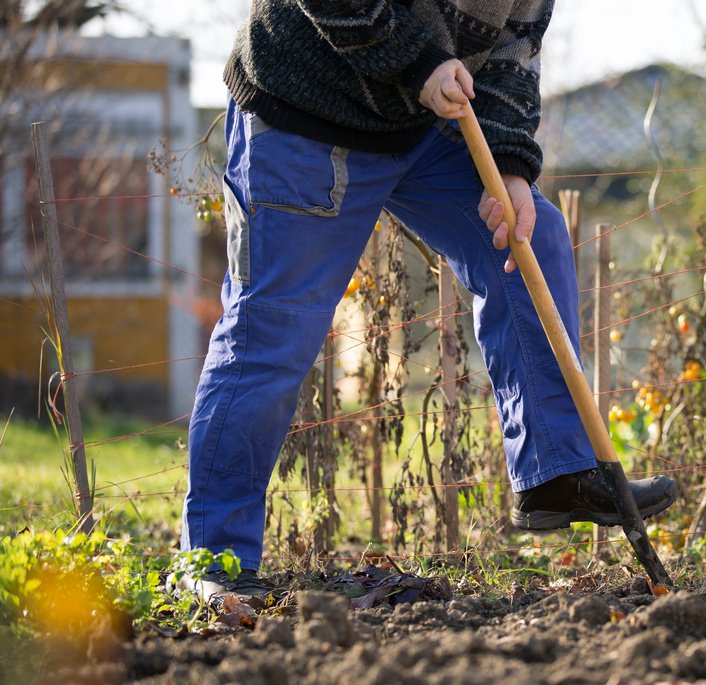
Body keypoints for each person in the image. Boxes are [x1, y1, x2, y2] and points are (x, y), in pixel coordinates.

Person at [179, 0, 678, 604]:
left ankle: (556, 472)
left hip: (417, 126)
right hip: (306, 115)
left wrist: (512, 167)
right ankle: (215, 563)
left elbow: (512, 53)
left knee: (531, 237)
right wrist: (421, 63)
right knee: (271, 332)